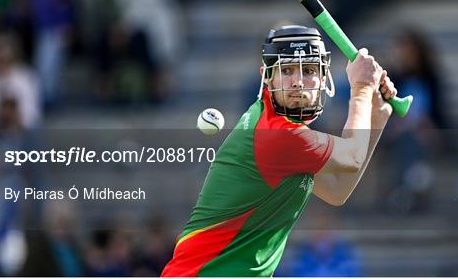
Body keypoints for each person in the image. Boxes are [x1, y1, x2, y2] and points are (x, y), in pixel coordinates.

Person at [161, 25, 397, 277]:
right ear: (267, 75)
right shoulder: (278, 134)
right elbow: (352, 157)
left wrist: (377, 116)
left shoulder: (277, 126)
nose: (297, 82)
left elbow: (337, 190)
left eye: (308, 70)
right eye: (286, 70)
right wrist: (361, 88)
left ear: (323, 77)